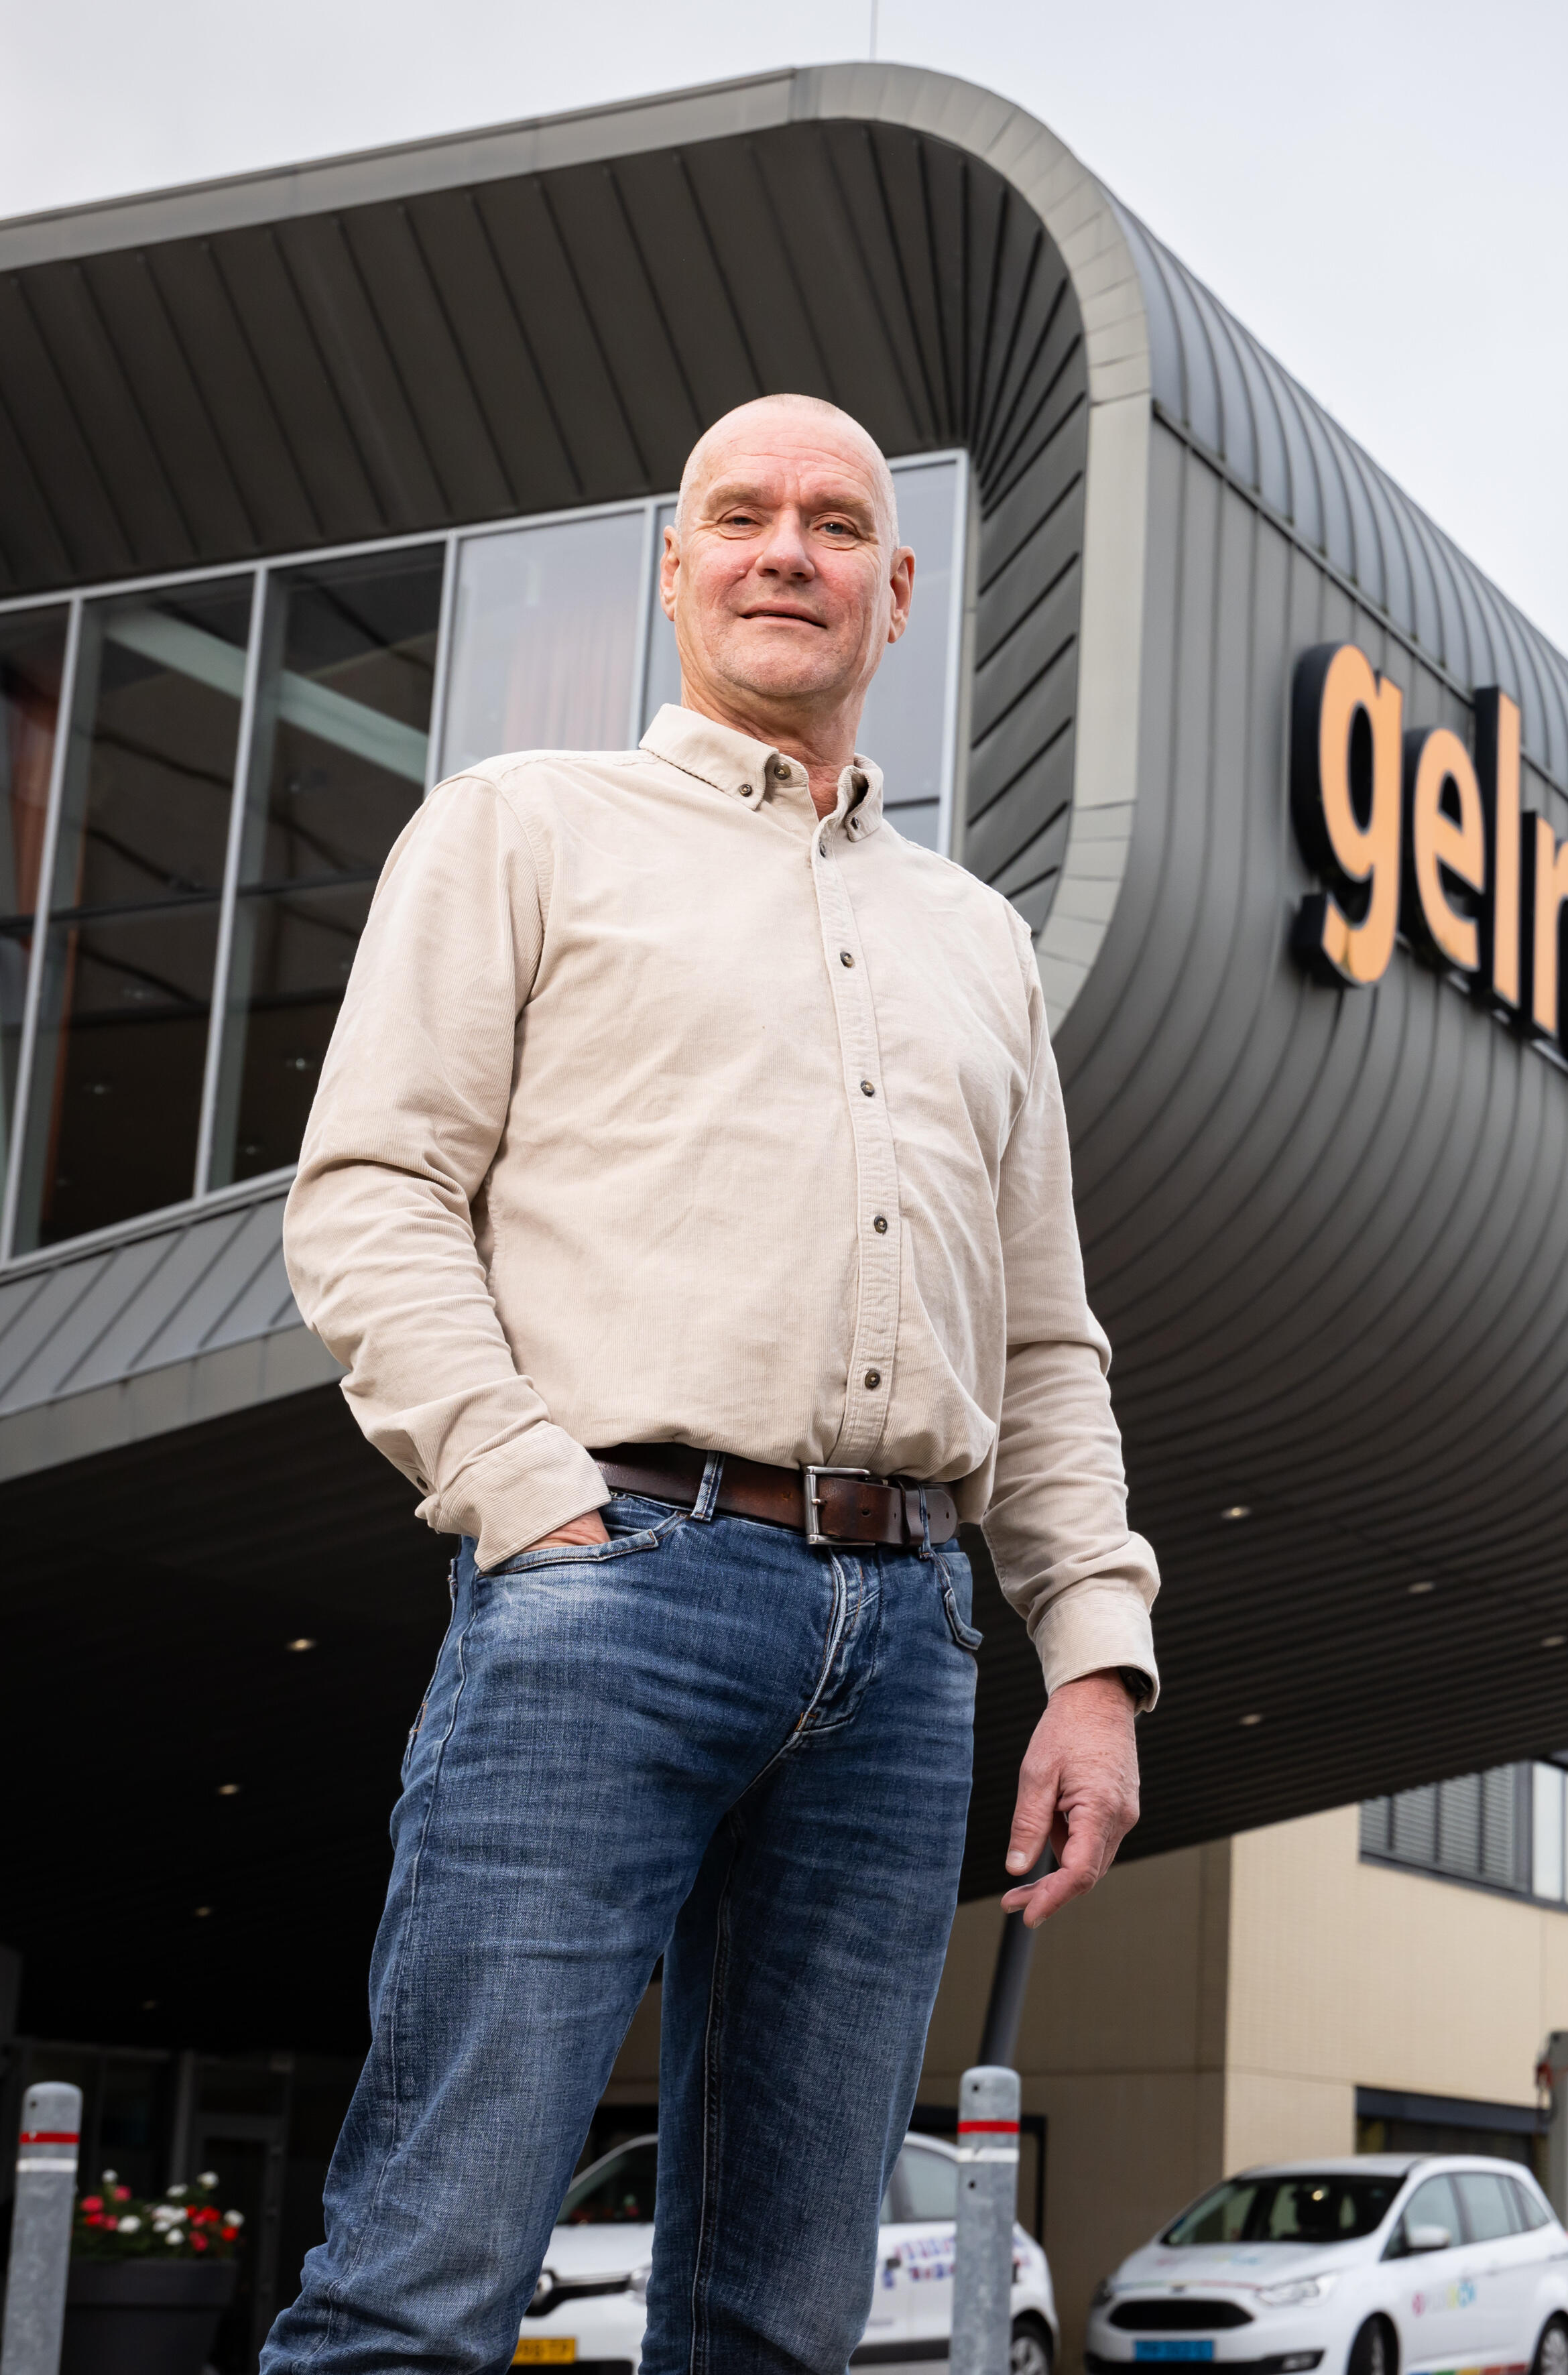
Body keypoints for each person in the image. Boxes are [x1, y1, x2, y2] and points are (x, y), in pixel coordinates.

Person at [265, 393, 1161, 2375]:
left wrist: (1088, 1661)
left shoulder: (977, 942)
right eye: (739, 517)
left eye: (834, 523)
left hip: (910, 1650)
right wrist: (531, 1500)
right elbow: (368, 1197)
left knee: (781, 2320)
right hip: (609, 1593)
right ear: (671, 568)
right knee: (423, 2284)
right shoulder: (521, 828)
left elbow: (1042, 1341)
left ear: (895, 591)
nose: (786, 551)